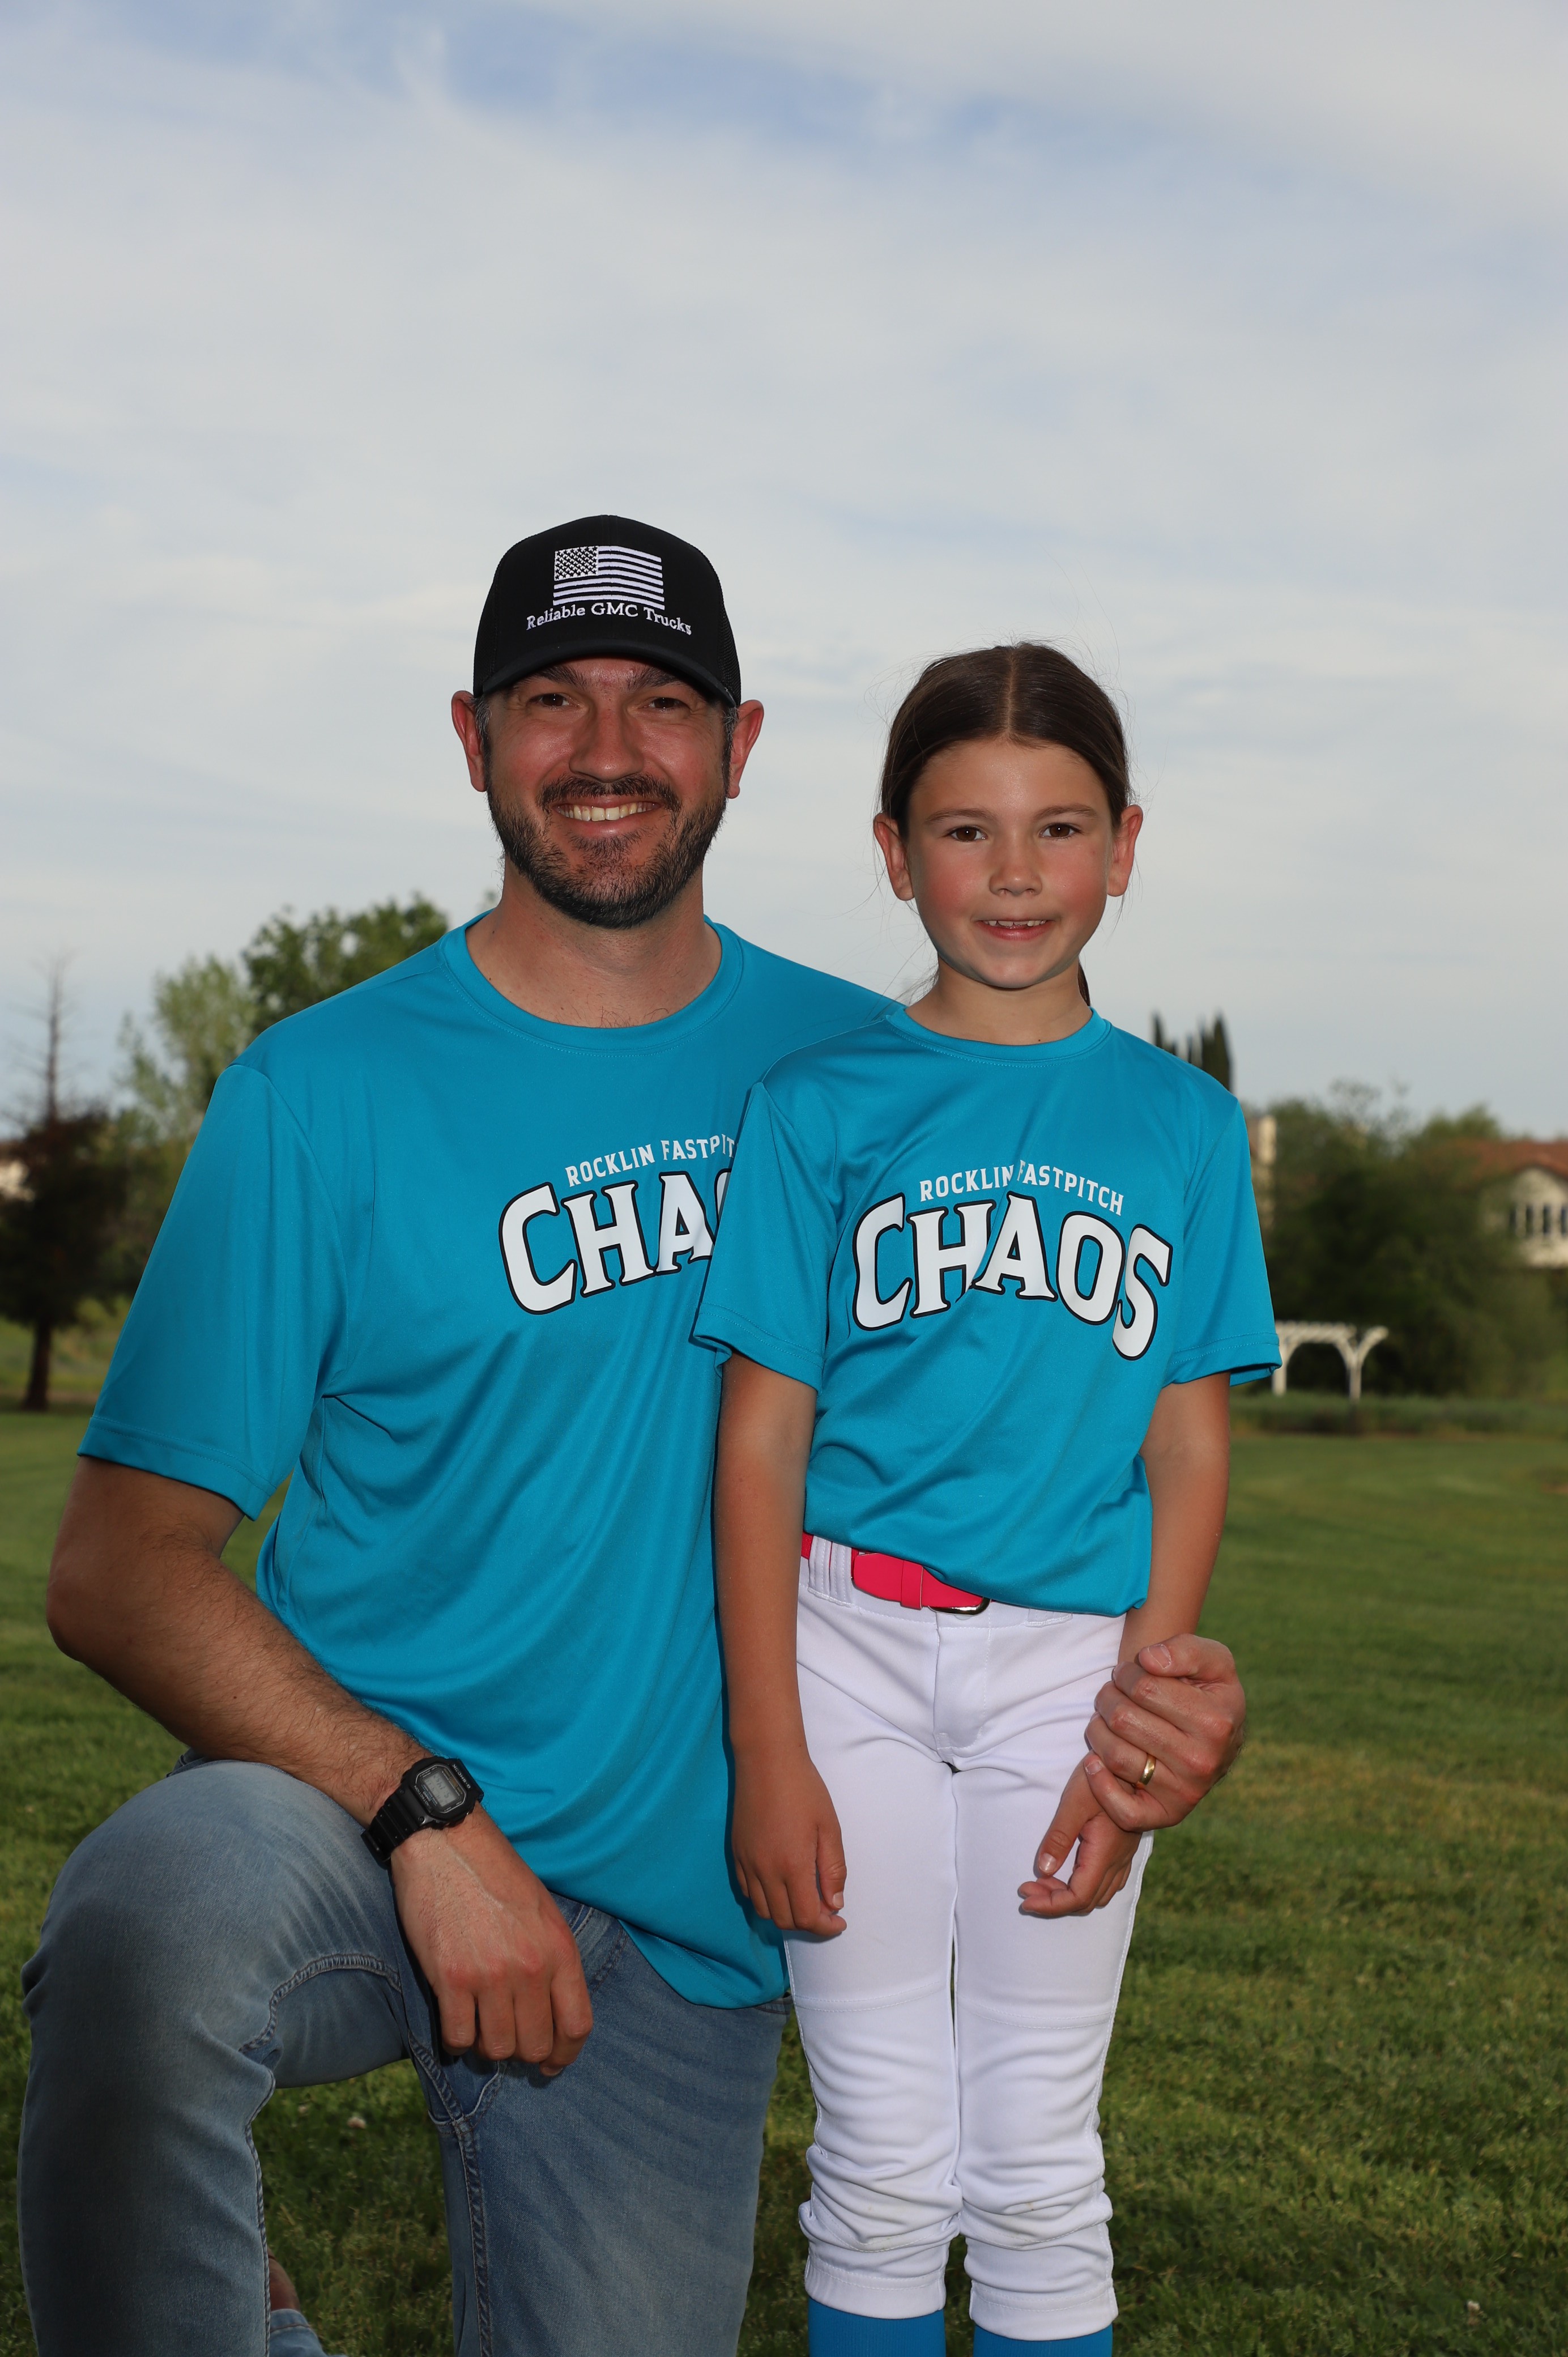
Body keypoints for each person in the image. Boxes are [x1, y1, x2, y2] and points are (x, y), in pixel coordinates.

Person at [19, 521, 1246, 2357]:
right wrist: (420, 1813)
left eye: (661, 702)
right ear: (473, 737)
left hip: (685, 1925)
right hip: (360, 1823)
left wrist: (1156, 1686)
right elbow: (118, 1570)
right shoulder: (319, 1092)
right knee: (146, 1928)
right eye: (552, 700)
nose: (607, 750)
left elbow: (1077, 1428)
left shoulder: (880, 1077)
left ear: (740, 745)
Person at [694, 643, 1279, 2356]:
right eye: (966, 830)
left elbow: (1186, 1444)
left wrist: (1140, 1715)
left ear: (1126, 844)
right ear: (895, 853)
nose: (1015, 874)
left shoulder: (1182, 1126)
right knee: (881, 2155)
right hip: (847, 1650)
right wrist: (768, 1742)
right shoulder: (819, 1105)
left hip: (1066, 1672)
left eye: (1059, 828)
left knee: (1034, 2161)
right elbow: (760, 1441)